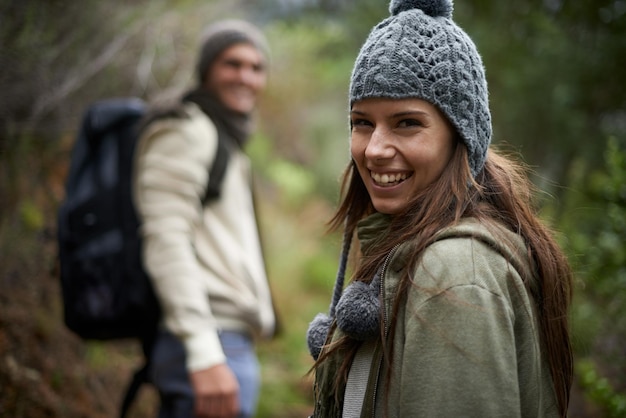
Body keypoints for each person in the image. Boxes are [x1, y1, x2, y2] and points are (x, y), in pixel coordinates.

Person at [306, 0, 573, 416]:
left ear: (460, 136)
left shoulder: (453, 274)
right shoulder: (411, 246)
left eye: (407, 122)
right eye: (362, 122)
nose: (374, 149)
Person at [133, 19, 277, 418]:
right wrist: (203, 352)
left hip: (226, 341)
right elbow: (166, 239)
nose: (245, 76)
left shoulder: (222, 135)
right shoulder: (186, 129)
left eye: (256, 67)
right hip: (208, 342)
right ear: (207, 67)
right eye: (232, 63)